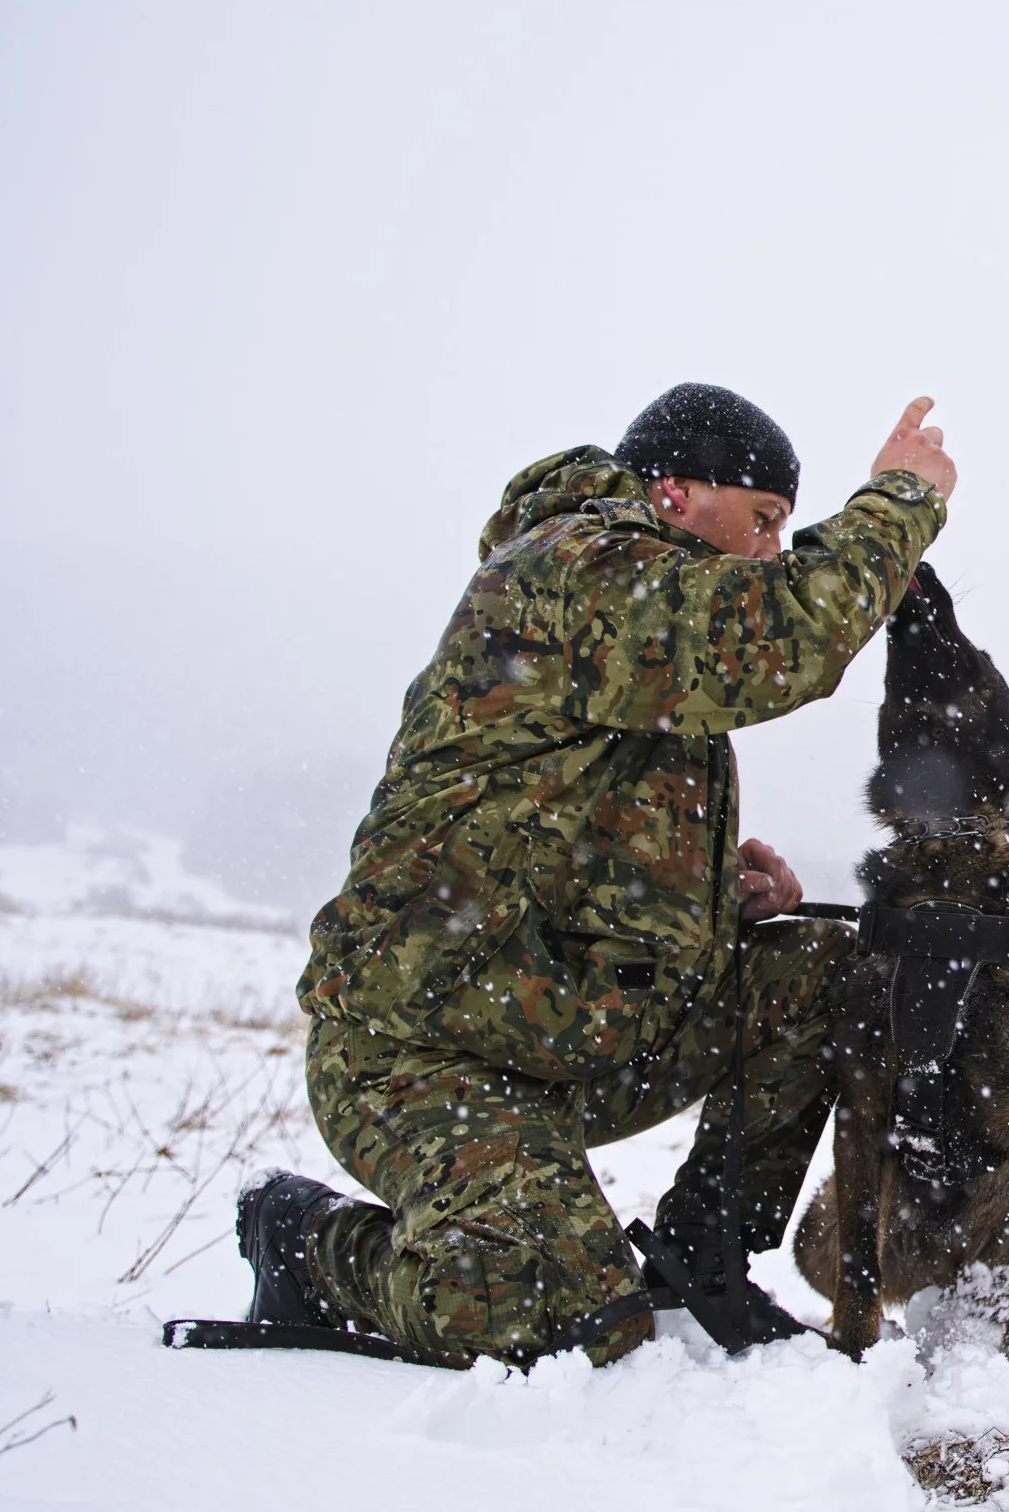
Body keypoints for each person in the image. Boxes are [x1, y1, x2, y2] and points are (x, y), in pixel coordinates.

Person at [240, 384, 955, 1367]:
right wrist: (901, 500)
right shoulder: (570, 569)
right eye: (762, 521)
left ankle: (699, 1253)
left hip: (565, 1041)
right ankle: (313, 1246)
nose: (769, 552)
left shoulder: (638, 625)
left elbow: (571, 847)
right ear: (672, 494)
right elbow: (782, 637)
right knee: (555, 1317)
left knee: (828, 966)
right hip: (421, 1056)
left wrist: (718, 904)